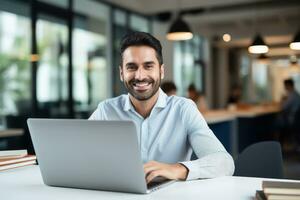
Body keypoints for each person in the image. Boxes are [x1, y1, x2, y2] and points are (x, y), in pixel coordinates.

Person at [89, 31, 234, 183]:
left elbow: (224, 163)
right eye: (131, 67)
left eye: (148, 66)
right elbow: (78, 154)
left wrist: (176, 169)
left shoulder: (183, 109)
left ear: (161, 71)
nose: (139, 76)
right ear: (121, 73)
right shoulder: (106, 110)